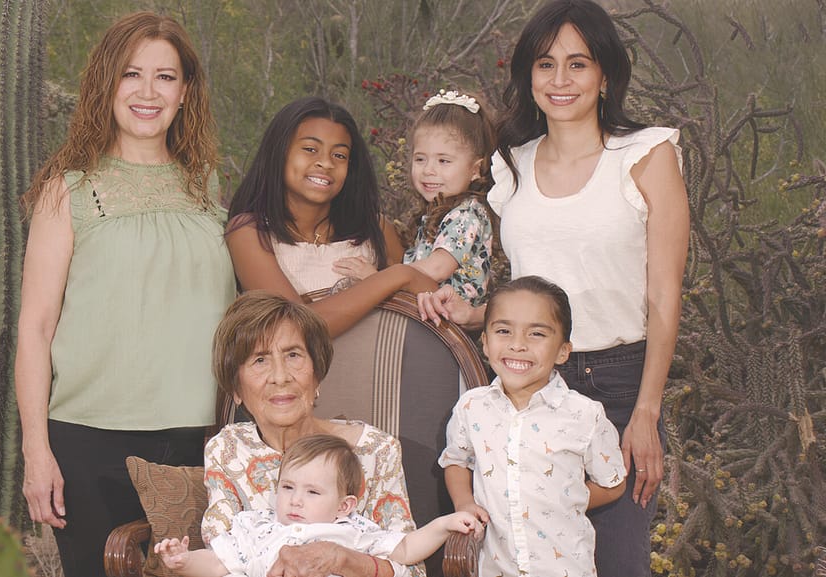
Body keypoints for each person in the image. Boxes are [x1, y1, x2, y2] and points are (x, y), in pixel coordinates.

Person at [419, 1, 689, 575]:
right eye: (546, 64)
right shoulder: (510, 165)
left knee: (619, 563)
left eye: (578, 64)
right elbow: (536, 285)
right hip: (523, 383)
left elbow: (664, 297)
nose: (560, 80)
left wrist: (646, 410)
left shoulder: (647, 155)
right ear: (529, 75)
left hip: (619, 386)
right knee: (522, 558)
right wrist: (473, 312)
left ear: (605, 74)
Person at [14, 11, 236, 577]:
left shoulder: (206, 185)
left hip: (199, 439)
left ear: (185, 92)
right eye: (131, 74)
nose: (147, 92)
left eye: (165, 76)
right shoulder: (67, 190)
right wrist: (37, 452)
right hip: (89, 441)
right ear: (105, 85)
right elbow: (35, 329)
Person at [202, 291, 423, 577]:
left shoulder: (375, 450)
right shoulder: (228, 450)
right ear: (236, 389)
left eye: (293, 355)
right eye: (260, 360)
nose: (280, 376)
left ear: (316, 375)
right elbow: (219, 561)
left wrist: (343, 560)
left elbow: (411, 570)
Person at [439, 275, 626, 577]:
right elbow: (456, 460)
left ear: (563, 350)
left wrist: (565, 499)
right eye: (503, 331)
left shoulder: (584, 415)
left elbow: (612, 483)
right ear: (485, 341)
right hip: (495, 568)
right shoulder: (472, 407)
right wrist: (464, 502)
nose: (517, 345)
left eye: (536, 334)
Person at [226, 97, 436, 337]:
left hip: (385, 361)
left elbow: (435, 298)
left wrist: (403, 278)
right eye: (310, 149)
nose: (326, 163)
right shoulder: (249, 233)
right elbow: (296, 328)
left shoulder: (375, 229)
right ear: (279, 152)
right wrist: (398, 276)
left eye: (339, 155)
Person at [157, 434, 483, 577]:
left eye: (313, 492)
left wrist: (444, 525)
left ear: (344, 506)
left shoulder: (352, 530)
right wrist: (184, 561)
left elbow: (406, 549)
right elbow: (217, 564)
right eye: (287, 487)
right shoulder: (256, 526)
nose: (295, 499)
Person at [340, 89, 496, 308]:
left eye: (443, 161)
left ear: (475, 169)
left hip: (450, 319)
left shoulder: (467, 214)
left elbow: (438, 268)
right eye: (420, 159)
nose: (429, 170)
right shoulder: (441, 211)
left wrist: (378, 279)